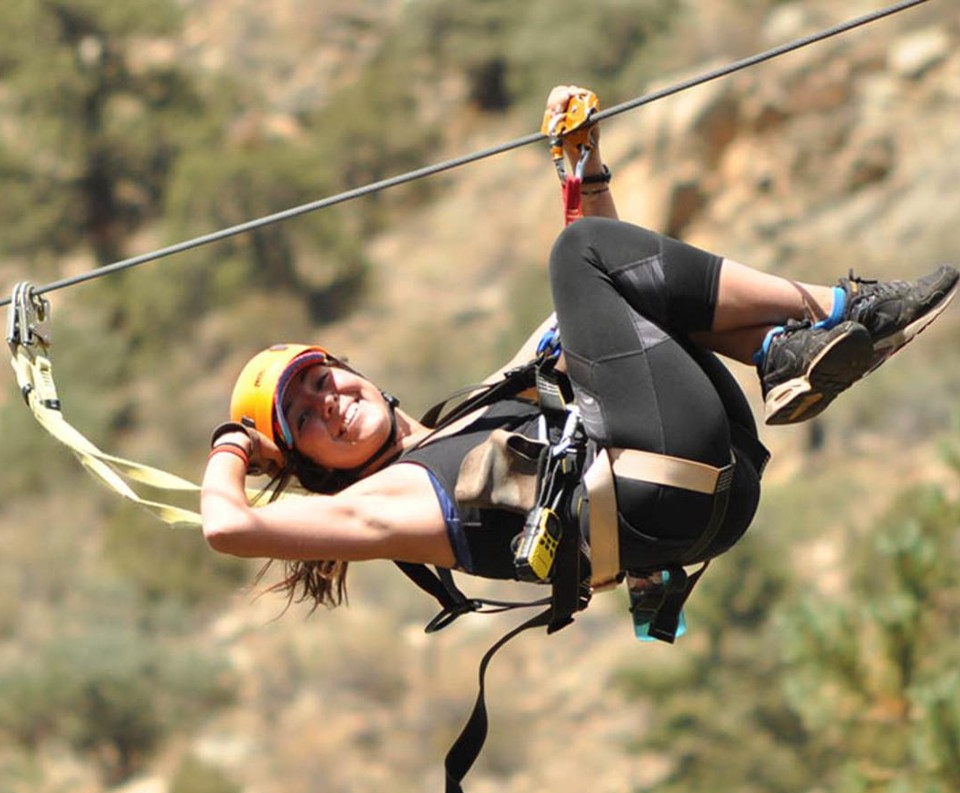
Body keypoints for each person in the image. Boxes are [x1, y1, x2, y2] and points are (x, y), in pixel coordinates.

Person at [201, 84, 957, 612]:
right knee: (577, 261)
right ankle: (833, 313)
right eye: (302, 418)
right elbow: (228, 528)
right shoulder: (383, 506)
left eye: (322, 380)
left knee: (597, 272)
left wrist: (583, 168)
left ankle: (782, 356)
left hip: (705, 478)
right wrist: (233, 445)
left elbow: (624, 292)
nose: (327, 402)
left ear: (355, 371)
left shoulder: (474, 414)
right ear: (304, 465)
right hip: (665, 492)